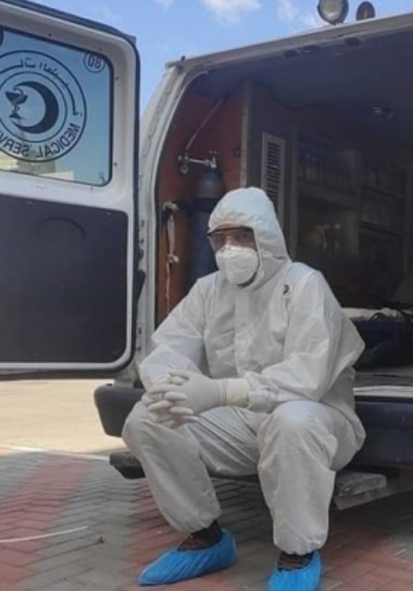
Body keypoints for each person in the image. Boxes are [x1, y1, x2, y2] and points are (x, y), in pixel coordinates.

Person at [123, 187, 366, 591]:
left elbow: (308, 376)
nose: (229, 249)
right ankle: (206, 538)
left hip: (318, 425)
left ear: (266, 236)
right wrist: (173, 387)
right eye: (220, 239)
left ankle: (298, 554)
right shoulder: (208, 290)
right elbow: (170, 348)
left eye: (241, 236)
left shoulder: (303, 284)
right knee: (148, 417)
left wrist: (220, 392)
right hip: (244, 427)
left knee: (291, 420)